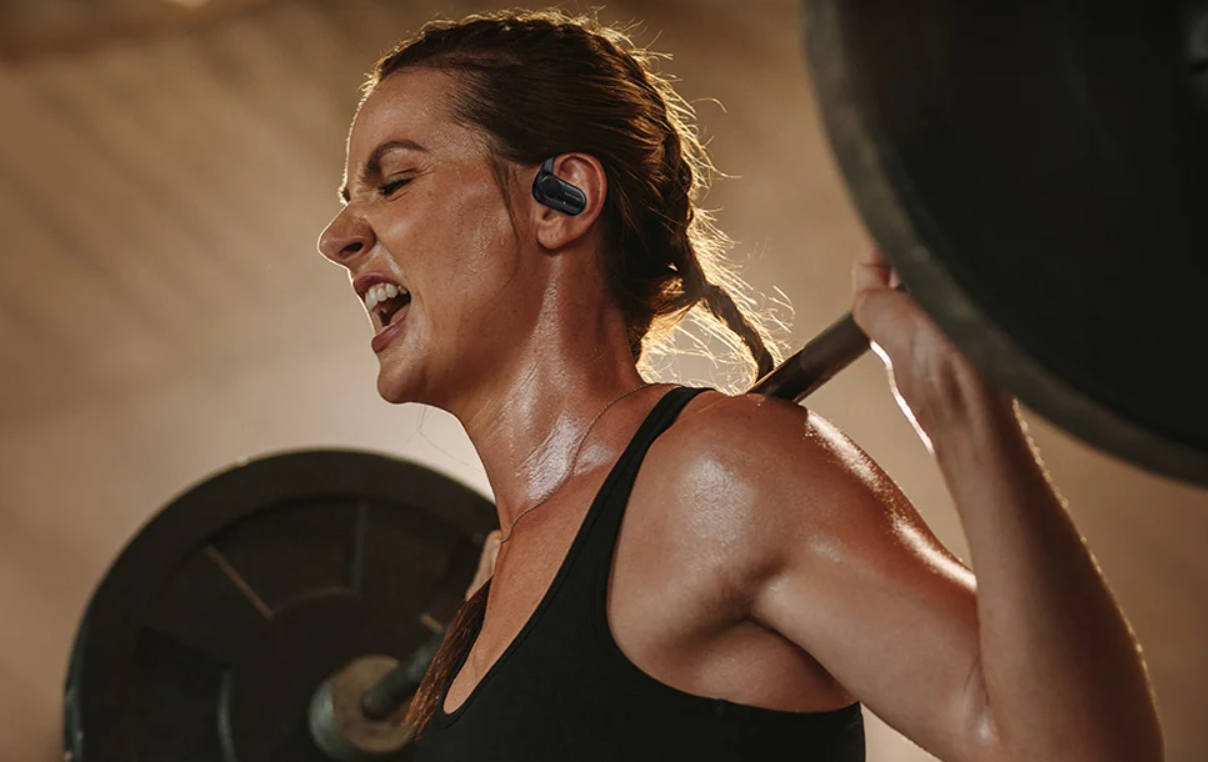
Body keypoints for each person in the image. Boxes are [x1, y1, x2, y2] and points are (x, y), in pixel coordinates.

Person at [317, 8, 1162, 761]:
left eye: (395, 182)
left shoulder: (718, 477)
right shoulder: (491, 590)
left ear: (560, 197)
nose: (338, 237)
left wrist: (963, 407)